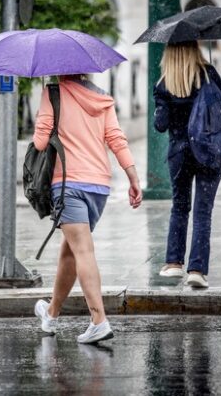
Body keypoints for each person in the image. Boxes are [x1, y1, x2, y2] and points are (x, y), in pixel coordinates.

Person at [33, 75, 142, 344]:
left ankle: (99, 320)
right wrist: (133, 178)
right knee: (69, 251)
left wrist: (47, 121)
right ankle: (51, 313)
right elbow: (116, 139)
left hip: (68, 183)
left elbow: (40, 143)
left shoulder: (53, 93)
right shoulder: (102, 97)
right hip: (99, 187)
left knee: (82, 250)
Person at [153, 41, 221, 288]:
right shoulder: (208, 74)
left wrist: (163, 108)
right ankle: (197, 269)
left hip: (179, 153)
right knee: (202, 211)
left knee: (180, 207)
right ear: (195, 49)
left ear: (169, 53)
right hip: (208, 151)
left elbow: (160, 125)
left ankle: (174, 263)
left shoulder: (164, 83)